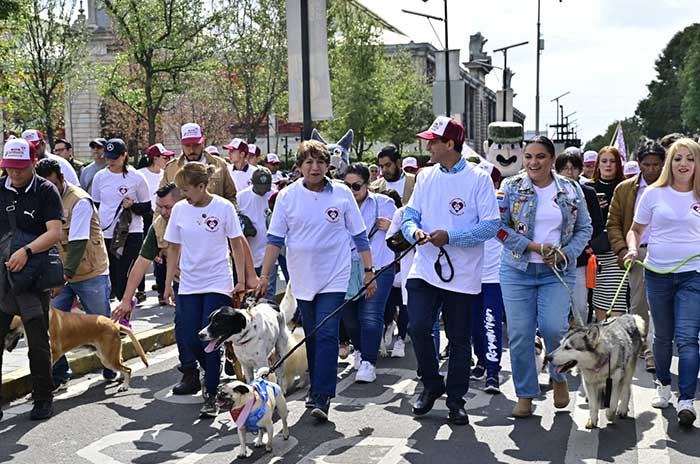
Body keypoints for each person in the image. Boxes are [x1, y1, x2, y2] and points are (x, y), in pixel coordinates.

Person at [255, 140, 376, 422]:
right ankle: (315, 388)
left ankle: (323, 395)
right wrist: (264, 276)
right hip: (302, 279)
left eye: (320, 162)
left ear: (328, 166)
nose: (315, 167)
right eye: (308, 162)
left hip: (334, 277)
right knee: (311, 334)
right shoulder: (287, 197)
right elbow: (274, 240)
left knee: (326, 333)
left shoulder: (342, 194)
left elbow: (360, 236)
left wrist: (369, 270)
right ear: (299, 167)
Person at [401, 116, 500, 425]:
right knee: (417, 327)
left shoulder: (479, 178)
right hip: (425, 267)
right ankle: (432, 385)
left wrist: (451, 237)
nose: (427, 145)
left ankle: (456, 400)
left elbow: (491, 225)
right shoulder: (425, 176)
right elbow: (410, 215)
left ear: (450, 144)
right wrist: (413, 232)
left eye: (433, 141)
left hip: (464, 274)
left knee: (459, 340)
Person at [497, 136, 592, 418]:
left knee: (553, 329)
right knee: (520, 334)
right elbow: (499, 229)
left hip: (556, 273)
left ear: (552, 160)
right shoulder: (510, 187)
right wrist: (533, 247)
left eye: (540, 157)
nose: (533, 162)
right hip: (517, 270)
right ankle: (525, 394)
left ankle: (559, 378)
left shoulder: (571, 189)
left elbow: (584, 229)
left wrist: (564, 253)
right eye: (528, 156)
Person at [163, 162, 252, 417]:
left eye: (186, 189)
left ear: (202, 186)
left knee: (210, 338)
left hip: (217, 280)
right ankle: (211, 366)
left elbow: (236, 243)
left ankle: (212, 393)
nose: (182, 194)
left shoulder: (223, 207)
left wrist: (242, 279)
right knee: (191, 338)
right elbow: (173, 248)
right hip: (189, 283)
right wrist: (169, 283)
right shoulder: (180, 210)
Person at [624, 138, 700, 427]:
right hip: (656, 273)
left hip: (693, 274)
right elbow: (635, 229)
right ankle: (664, 384)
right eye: (678, 158)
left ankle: (687, 400)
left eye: (690, 159)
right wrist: (632, 248)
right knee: (662, 336)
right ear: (671, 162)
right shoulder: (654, 194)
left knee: (688, 338)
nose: (684, 164)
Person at [111, 183, 201, 395]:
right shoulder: (158, 226)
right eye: (159, 206)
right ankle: (189, 372)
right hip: (182, 283)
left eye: (168, 207)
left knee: (208, 325)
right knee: (183, 326)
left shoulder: (200, 217)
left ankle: (217, 367)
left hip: (210, 280)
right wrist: (126, 300)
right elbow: (141, 263)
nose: (163, 212)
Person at [34, 158, 114, 388]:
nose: (47, 187)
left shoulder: (80, 200)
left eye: (50, 182)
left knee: (100, 321)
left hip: (91, 272)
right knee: (51, 325)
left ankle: (109, 366)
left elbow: (78, 243)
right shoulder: (43, 198)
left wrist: (61, 278)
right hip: (59, 272)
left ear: (60, 176)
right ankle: (59, 374)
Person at [0, 138, 63, 420]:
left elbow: (54, 232)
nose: (15, 174)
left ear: (33, 163)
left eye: (20, 169)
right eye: (9, 169)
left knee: (37, 341)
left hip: (33, 276)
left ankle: (43, 398)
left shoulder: (46, 190)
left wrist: (27, 251)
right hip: (2, 277)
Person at [607, 142, 665, 372]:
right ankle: (644, 348)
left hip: (668, 253)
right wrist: (623, 251)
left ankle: (655, 351)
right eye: (646, 164)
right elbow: (613, 224)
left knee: (661, 306)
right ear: (638, 163)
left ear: (663, 163)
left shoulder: (675, 188)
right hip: (637, 253)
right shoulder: (624, 189)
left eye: (656, 165)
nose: (651, 170)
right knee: (639, 305)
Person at [341, 163, 397, 383]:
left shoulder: (384, 203)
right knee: (350, 318)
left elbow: (402, 231)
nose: (352, 191)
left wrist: (391, 226)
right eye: (347, 186)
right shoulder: (338, 204)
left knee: (370, 315)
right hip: (346, 267)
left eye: (356, 186)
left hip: (379, 265)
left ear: (368, 185)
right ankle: (360, 350)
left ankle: (368, 362)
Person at [91, 138, 151, 304]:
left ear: (124, 156)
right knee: (112, 275)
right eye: (108, 157)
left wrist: (132, 206)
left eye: (114, 158)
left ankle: (126, 308)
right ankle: (121, 305)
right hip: (107, 232)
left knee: (124, 273)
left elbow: (146, 208)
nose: (110, 161)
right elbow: (95, 204)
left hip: (131, 233)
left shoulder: (136, 177)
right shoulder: (100, 177)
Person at [554, 151, 604, 325]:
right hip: (552, 257)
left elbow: (597, 224)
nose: (569, 172)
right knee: (557, 306)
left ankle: (580, 337)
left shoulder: (588, 192)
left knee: (581, 304)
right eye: (564, 168)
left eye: (573, 168)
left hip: (579, 256)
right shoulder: (549, 192)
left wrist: (581, 240)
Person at [590, 146, 628, 320]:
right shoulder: (588, 188)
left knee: (617, 300)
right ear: (598, 165)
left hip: (618, 249)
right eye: (604, 161)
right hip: (594, 251)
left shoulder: (626, 188)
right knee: (599, 298)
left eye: (612, 161)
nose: (608, 165)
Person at [160, 123, 237, 205]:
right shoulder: (171, 169)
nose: (192, 150)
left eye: (196, 145)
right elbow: (161, 201)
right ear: (181, 145)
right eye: (187, 145)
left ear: (202, 143)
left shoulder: (220, 165)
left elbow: (231, 196)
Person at [138, 143, 174, 303]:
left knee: (169, 254)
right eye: (164, 157)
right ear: (155, 158)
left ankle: (167, 288)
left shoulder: (165, 174)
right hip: (150, 218)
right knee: (156, 256)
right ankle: (158, 290)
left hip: (169, 217)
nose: (167, 159)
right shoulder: (141, 174)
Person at [236, 168, 277, 301]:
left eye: (265, 187)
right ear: (252, 183)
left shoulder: (275, 196)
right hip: (249, 255)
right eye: (259, 187)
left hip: (269, 255)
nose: (262, 190)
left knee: (268, 295)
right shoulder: (241, 197)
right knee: (249, 296)